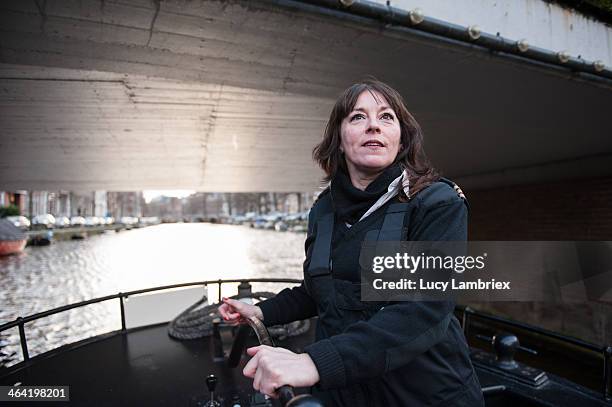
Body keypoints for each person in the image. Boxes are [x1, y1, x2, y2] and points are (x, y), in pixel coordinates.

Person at [219, 79, 485, 406]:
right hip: (345, 393)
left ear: (400, 139)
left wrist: (314, 362)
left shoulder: (436, 203)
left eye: (387, 117)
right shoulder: (323, 209)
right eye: (358, 117)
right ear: (339, 140)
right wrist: (258, 311)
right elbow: (320, 290)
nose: (374, 124)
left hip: (423, 395)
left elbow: (424, 308)